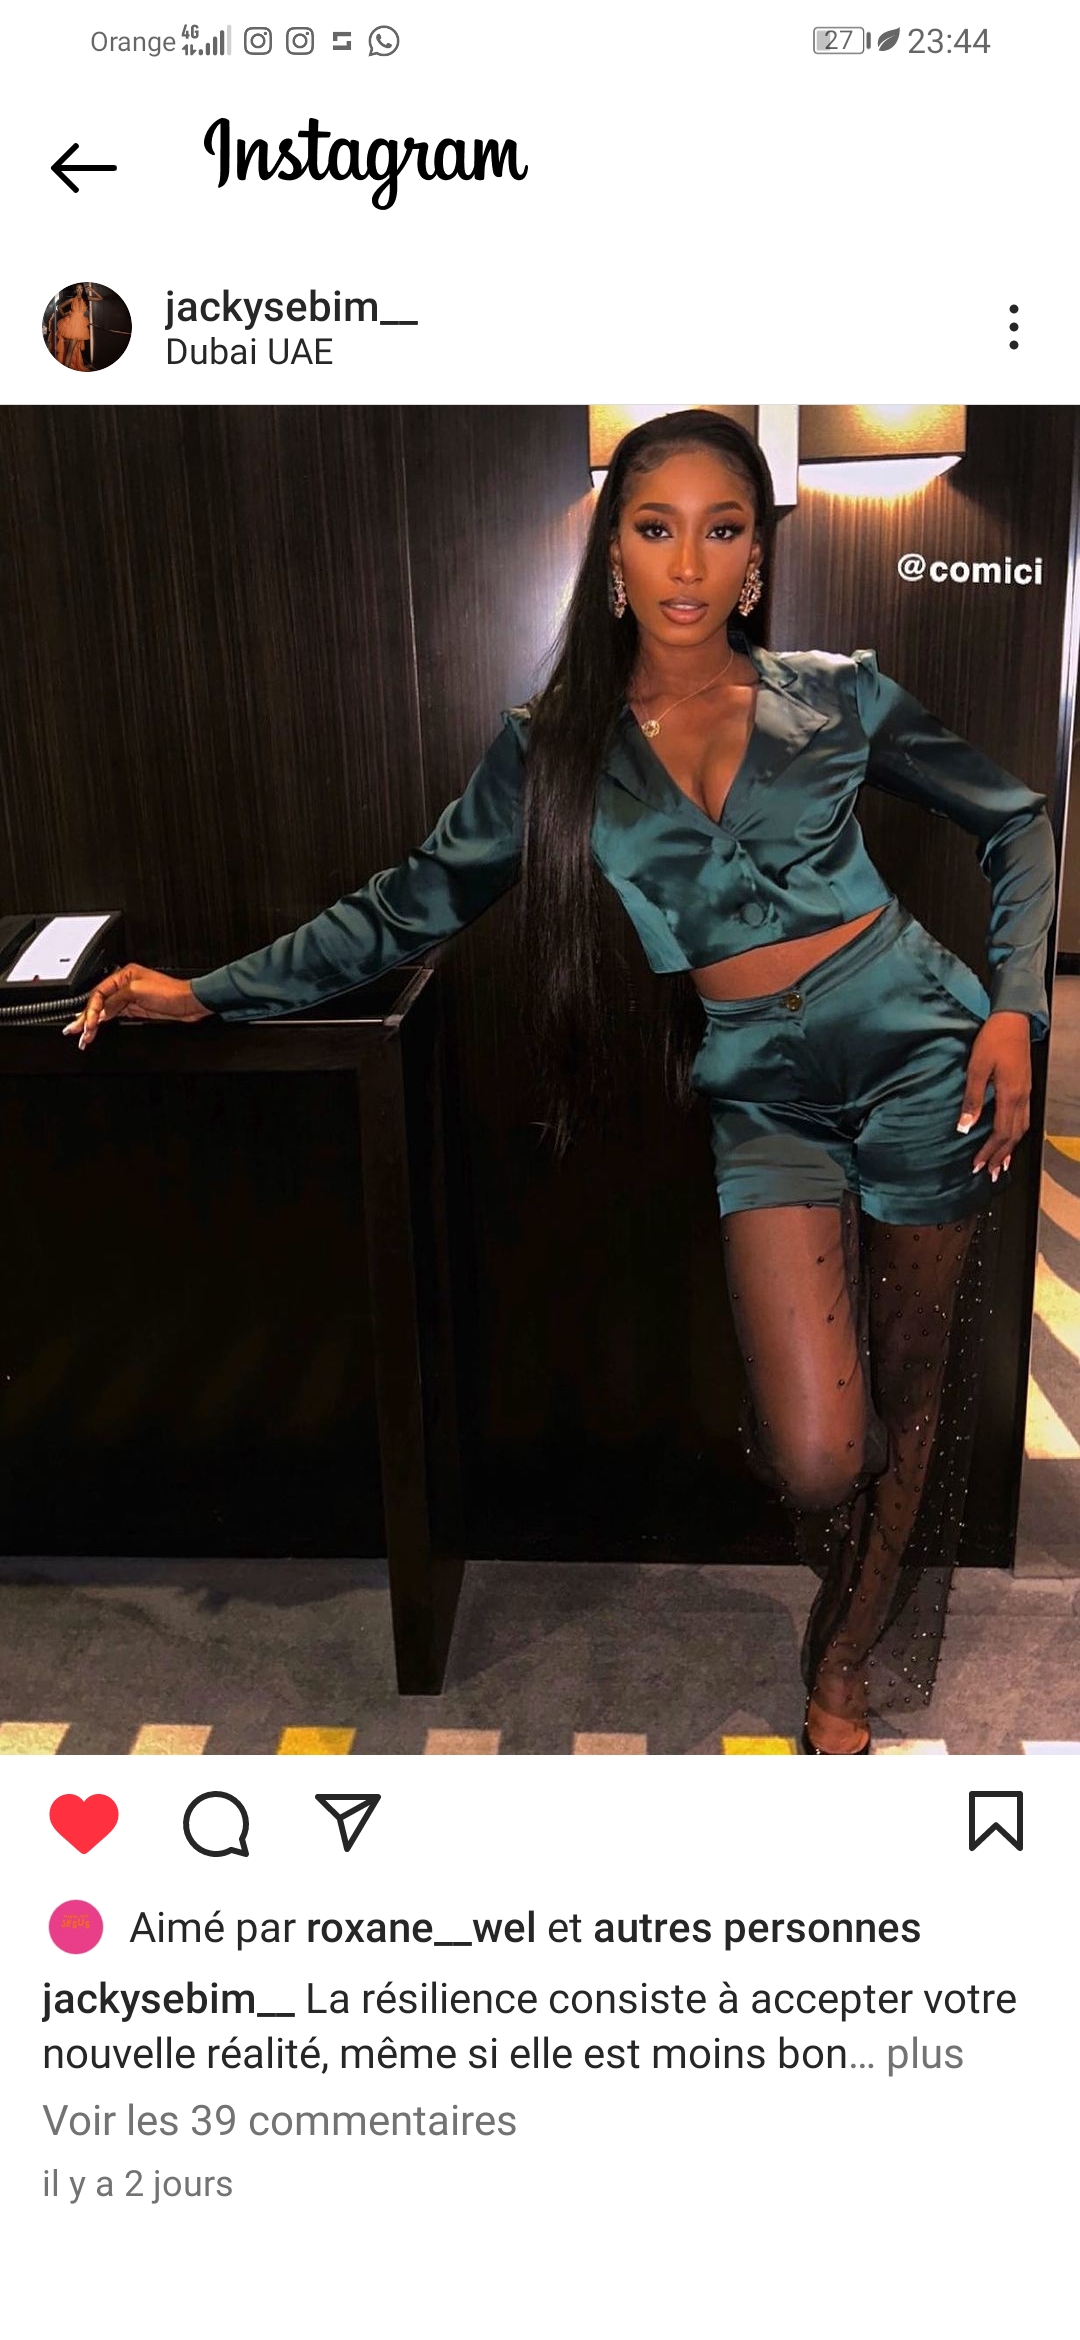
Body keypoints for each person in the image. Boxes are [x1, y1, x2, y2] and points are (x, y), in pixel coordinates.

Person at [64, 411, 1056, 1753]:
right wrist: (205, 990)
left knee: (920, 1371)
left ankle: (845, 1654)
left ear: (757, 560)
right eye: (656, 528)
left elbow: (1016, 821)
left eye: (722, 530)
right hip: (763, 1092)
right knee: (825, 1448)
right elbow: (405, 907)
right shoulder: (553, 748)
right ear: (614, 559)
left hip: (924, 1052)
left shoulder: (839, 694)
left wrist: (1012, 1009)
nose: (689, 563)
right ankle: (862, 1544)